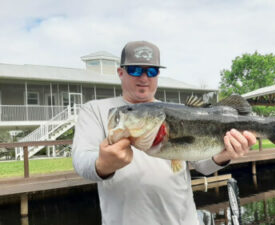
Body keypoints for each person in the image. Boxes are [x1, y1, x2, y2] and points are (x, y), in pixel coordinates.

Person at [72, 41, 257, 225]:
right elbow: (81, 160)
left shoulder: (175, 111)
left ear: (158, 74)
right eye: (135, 70)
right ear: (121, 72)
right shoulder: (96, 110)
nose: (144, 78)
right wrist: (102, 165)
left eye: (151, 71)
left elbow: (202, 166)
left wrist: (224, 155)